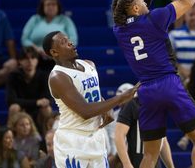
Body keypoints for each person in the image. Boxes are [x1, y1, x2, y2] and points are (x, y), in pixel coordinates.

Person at [112, 0, 195, 168]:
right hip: (169, 84)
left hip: (146, 92)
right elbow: (189, 0)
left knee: (150, 155)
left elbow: (141, 0)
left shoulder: (119, 30)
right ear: (137, 8)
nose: (149, 4)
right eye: (144, 4)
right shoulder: (156, 18)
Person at [42, 31, 138, 168]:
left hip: (96, 136)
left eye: (68, 39)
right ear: (54, 52)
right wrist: (121, 98)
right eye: (63, 42)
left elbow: (94, 94)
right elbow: (85, 111)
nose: (70, 42)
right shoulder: (58, 77)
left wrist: (107, 109)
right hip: (72, 140)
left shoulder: (89, 65)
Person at [21, 0, 78, 71]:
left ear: (58, 7)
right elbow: (25, 39)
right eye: (48, 5)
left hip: (60, 55)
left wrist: (57, 51)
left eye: (53, 4)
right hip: (37, 55)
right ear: (43, 7)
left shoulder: (66, 20)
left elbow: (73, 40)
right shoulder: (35, 19)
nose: (51, 7)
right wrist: (37, 49)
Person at [115, 96, 175, 168]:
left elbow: (163, 140)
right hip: (135, 163)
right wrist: (126, 163)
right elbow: (119, 135)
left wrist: (171, 166)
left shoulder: (159, 106)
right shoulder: (132, 104)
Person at [6, 46, 52, 134]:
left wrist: (38, 103)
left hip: (37, 113)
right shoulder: (13, 76)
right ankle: (11, 137)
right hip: (21, 112)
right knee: (14, 108)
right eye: (26, 59)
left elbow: (48, 99)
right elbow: (11, 100)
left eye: (33, 58)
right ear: (20, 61)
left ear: (37, 60)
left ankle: (48, 139)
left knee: (47, 109)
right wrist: (36, 102)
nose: (30, 62)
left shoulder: (44, 76)